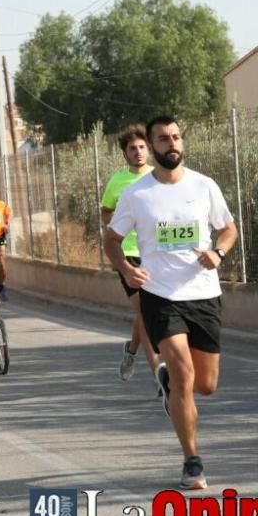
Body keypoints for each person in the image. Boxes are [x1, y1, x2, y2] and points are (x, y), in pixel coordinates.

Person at [105, 115, 238, 491]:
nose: (172, 144)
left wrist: (220, 253)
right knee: (183, 374)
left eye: (176, 137)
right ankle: (192, 460)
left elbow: (228, 228)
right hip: (161, 295)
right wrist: (128, 271)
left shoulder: (204, 185)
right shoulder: (137, 194)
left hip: (204, 292)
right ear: (152, 144)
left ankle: (167, 383)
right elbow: (111, 240)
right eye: (163, 139)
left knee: (206, 384)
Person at [100, 124, 158, 387]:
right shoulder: (118, 181)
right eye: (132, 148)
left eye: (142, 147)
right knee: (146, 312)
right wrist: (122, 222)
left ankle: (131, 351)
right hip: (129, 253)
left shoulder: (158, 177)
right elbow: (105, 212)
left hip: (156, 252)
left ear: (149, 149)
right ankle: (160, 373)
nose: (138, 152)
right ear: (125, 153)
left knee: (147, 311)